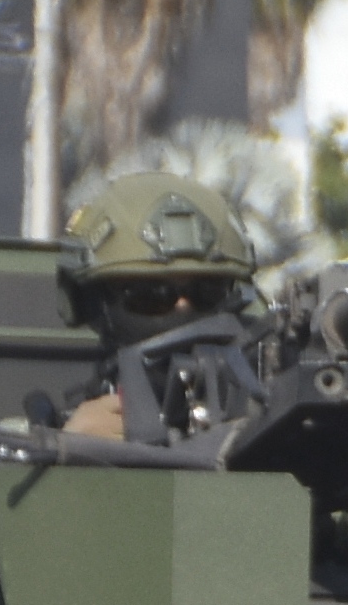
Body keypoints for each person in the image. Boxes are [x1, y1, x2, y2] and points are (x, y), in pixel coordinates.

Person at [50, 169, 263, 445]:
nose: (183, 307)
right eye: (151, 294)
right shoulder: (64, 433)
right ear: (90, 303)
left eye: (207, 291)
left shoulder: (264, 410)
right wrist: (68, 451)